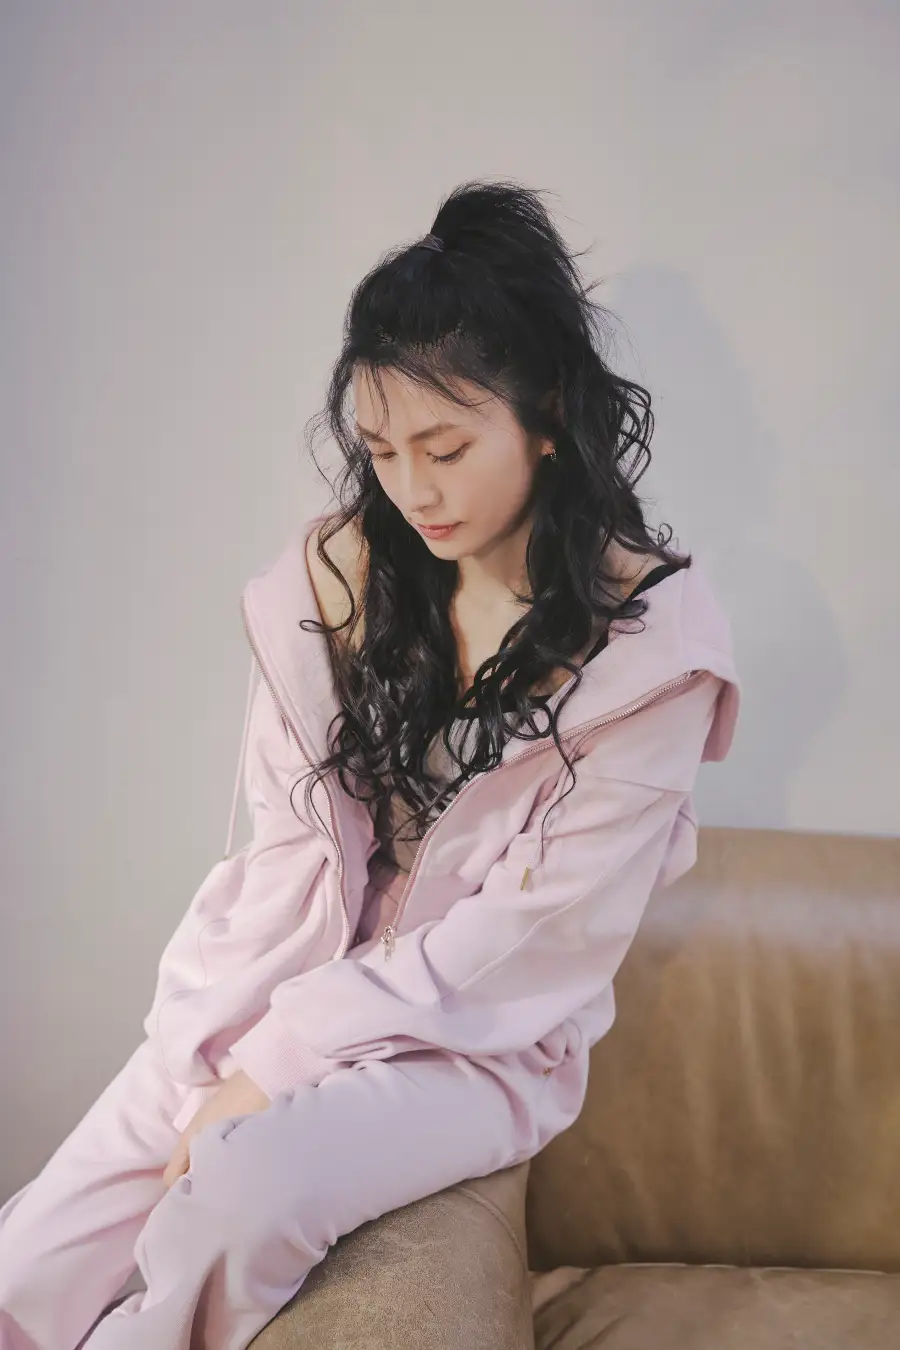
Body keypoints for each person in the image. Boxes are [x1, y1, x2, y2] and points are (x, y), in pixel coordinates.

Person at [0, 179, 740, 1349]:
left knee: (241, 1195)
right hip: (273, 988)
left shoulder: (654, 652)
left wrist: (280, 1065)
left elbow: (531, 937)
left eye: (447, 448)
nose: (413, 490)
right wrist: (211, 1038)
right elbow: (286, 848)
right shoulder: (337, 583)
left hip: (470, 1045)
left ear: (548, 416)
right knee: (31, 1258)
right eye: (383, 449)